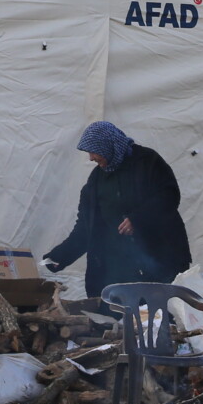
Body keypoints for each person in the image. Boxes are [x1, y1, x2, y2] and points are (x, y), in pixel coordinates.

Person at [43, 121, 191, 298]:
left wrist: (138, 219)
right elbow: (86, 227)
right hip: (119, 269)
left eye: (93, 151)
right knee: (117, 320)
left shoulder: (147, 161)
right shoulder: (97, 179)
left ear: (108, 146)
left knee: (159, 316)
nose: (91, 158)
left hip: (159, 259)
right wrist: (59, 256)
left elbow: (168, 196)